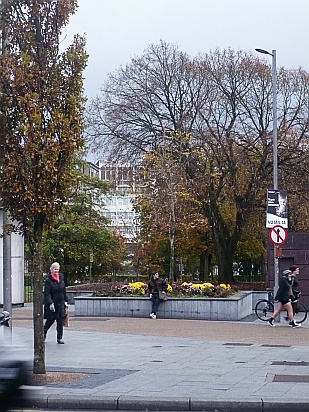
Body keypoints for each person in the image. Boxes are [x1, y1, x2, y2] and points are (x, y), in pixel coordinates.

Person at [44, 262, 68, 344]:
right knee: (50, 321)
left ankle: (59, 338)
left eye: (57, 269)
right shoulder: (48, 281)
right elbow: (47, 293)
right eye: (55, 269)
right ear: (51, 269)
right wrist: (50, 303)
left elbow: (63, 290)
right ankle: (43, 333)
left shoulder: (61, 278)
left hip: (60, 304)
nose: (56, 271)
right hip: (53, 305)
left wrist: (66, 301)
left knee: (60, 322)